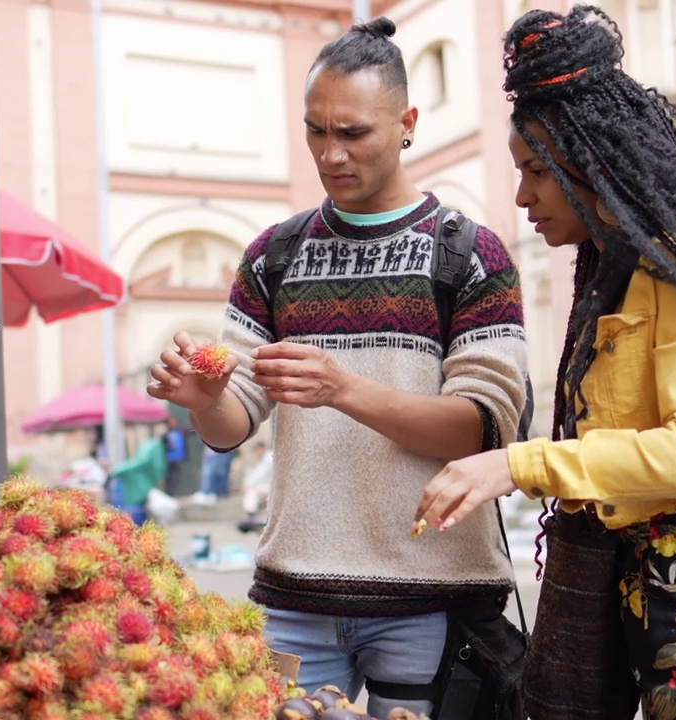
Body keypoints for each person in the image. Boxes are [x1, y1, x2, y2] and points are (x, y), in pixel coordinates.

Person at [415, 6, 676, 719]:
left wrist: (522, 463)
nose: (521, 198)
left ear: (588, 161)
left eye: (536, 172)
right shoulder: (615, 275)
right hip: (672, 609)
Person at [147, 16, 527, 718]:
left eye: (353, 133)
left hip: (430, 599)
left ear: (408, 121)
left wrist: (344, 389)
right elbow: (232, 427)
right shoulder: (273, 255)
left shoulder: (470, 255)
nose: (331, 154)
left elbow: (481, 433)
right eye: (315, 131)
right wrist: (202, 398)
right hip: (293, 594)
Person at [162, 416, 186, 496]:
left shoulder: (180, 431)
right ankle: (169, 494)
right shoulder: (166, 434)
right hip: (169, 459)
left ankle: (173, 493)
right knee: (169, 478)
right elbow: (162, 444)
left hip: (178, 459)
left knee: (176, 478)